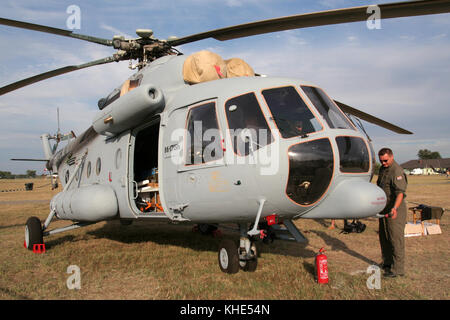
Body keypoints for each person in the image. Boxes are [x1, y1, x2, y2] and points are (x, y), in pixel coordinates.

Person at [376, 147, 408, 278]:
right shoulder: (383, 169)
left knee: (396, 239)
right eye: (381, 161)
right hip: (384, 209)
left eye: (385, 160)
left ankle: (398, 270)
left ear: (392, 156)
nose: (383, 163)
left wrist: (394, 208)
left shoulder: (397, 170)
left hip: (395, 209)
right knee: (384, 238)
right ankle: (387, 263)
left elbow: (400, 193)